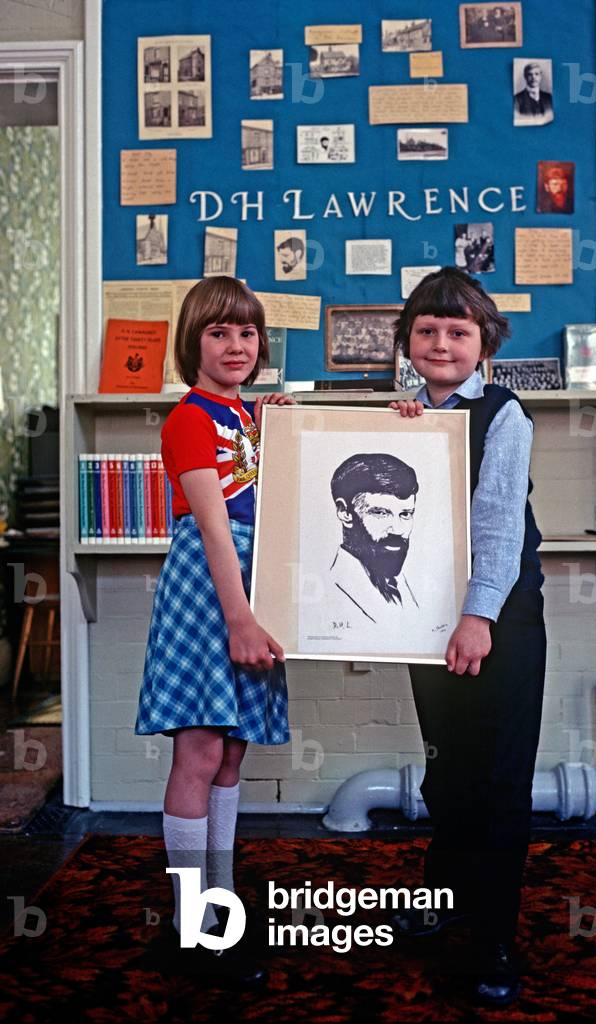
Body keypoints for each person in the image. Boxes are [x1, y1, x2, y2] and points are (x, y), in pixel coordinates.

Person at [388, 266, 546, 1008]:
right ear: (408, 342)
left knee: (499, 781)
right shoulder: (404, 416)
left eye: (457, 331)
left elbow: (497, 526)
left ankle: (493, 939)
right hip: (427, 620)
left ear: (483, 345)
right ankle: (440, 905)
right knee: (447, 775)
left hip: (499, 621)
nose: (441, 342)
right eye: (427, 330)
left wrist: (479, 617)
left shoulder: (504, 414)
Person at [135, 276, 293, 982]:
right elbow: (214, 528)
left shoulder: (255, 415)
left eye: (247, 332)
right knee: (198, 753)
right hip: (214, 592)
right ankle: (190, 921)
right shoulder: (190, 418)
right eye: (219, 332)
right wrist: (240, 621)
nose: (236, 345)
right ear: (192, 343)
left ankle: (217, 900)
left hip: (253, 593)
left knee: (232, 755)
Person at [328, 453, 420, 623]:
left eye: (405, 514)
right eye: (380, 513)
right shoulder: (327, 591)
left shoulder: (407, 590)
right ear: (345, 512)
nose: (398, 530)